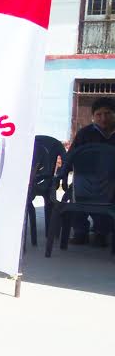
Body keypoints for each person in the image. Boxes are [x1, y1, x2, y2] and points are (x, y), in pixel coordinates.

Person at [68, 96, 115, 247]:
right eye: (99, 114)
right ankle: (80, 232)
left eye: (108, 113)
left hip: (111, 182)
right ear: (93, 117)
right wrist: (62, 174)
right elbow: (71, 157)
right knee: (76, 192)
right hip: (86, 180)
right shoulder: (85, 134)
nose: (103, 118)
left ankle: (102, 233)